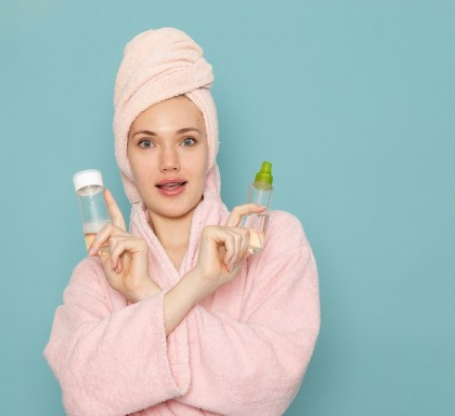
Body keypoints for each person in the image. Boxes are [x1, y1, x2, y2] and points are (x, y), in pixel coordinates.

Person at [43, 27, 320, 416]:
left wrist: (145, 295)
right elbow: (83, 395)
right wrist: (196, 285)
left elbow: (269, 384)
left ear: (210, 147)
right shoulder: (97, 275)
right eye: (147, 143)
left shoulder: (273, 241)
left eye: (187, 140)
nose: (169, 162)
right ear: (125, 158)